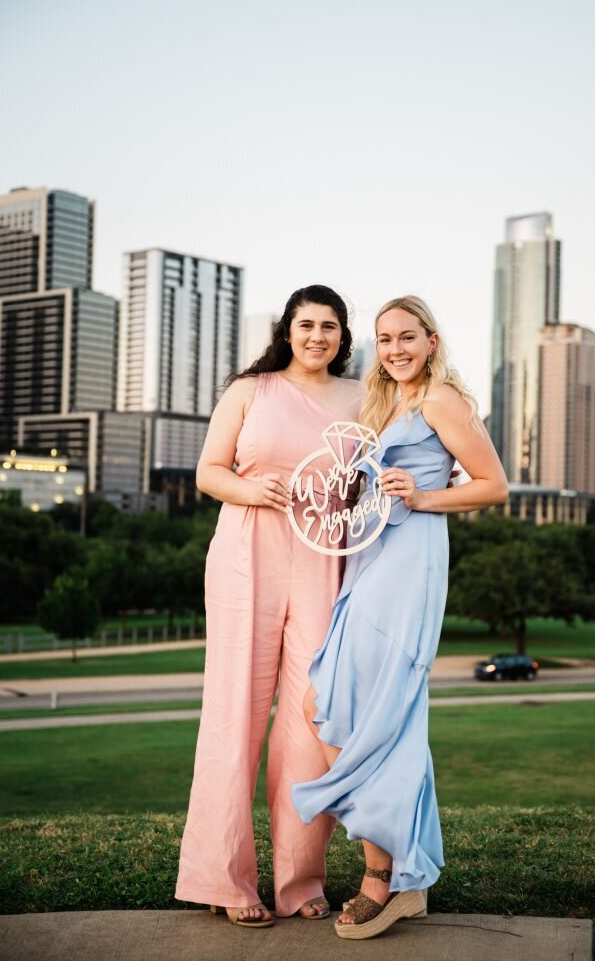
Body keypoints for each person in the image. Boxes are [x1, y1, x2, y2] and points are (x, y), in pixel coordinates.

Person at [292, 295, 508, 940]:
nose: (395, 350)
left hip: (411, 559)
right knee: (332, 705)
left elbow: (493, 484)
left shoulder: (442, 400)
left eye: (407, 338)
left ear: (432, 341)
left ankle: (381, 879)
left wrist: (423, 494)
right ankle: (396, 872)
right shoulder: (386, 404)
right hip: (371, 558)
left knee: (361, 710)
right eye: (385, 340)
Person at [176, 285, 360, 927]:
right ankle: (225, 882)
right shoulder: (249, 390)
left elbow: (376, 474)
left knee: (315, 717)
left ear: (343, 336)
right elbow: (207, 472)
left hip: (324, 560)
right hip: (246, 552)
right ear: (287, 329)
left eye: (330, 326)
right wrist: (253, 488)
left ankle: (300, 882)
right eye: (307, 324)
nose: (317, 336)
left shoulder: (362, 397)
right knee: (235, 713)